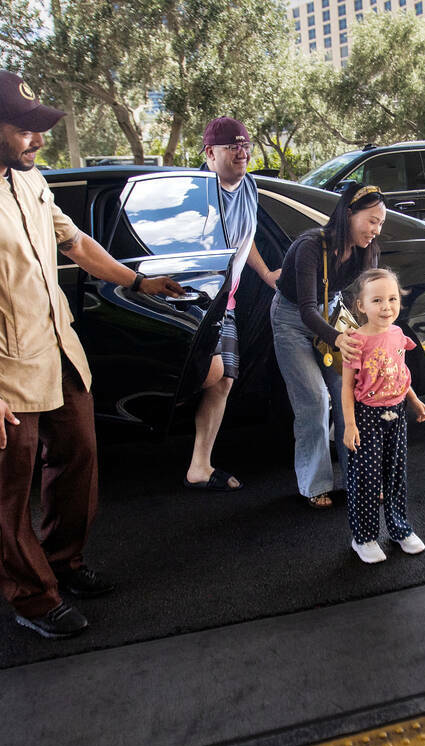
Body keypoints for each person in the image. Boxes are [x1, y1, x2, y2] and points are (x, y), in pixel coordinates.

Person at [0, 70, 184, 639]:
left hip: (56, 351)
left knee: (78, 459)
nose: (38, 140)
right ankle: (32, 597)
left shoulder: (28, 180)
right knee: (10, 490)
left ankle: (63, 563)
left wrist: (136, 281)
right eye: (26, 130)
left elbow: (74, 242)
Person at [271, 182, 387, 509]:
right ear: (349, 214)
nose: (376, 230)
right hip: (292, 318)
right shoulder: (311, 245)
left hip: (333, 316)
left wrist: (375, 334)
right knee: (315, 401)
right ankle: (315, 485)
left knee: (349, 396)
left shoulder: (366, 250)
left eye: (381, 224)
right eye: (372, 221)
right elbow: (307, 309)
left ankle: (360, 480)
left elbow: (364, 297)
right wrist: (341, 340)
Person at [184, 116, 280, 492]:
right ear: (210, 153)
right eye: (232, 147)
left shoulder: (249, 186)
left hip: (227, 302)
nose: (242, 153)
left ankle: (199, 466)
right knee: (209, 373)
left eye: (245, 146)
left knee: (223, 379)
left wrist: (267, 273)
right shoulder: (197, 193)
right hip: (194, 302)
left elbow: (247, 238)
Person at [341, 269, 425, 563]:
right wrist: (350, 425)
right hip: (366, 416)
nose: (387, 306)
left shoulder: (397, 335)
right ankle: (364, 537)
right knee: (366, 479)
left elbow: (399, 375)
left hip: (397, 413)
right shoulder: (355, 341)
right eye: (377, 300)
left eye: (392, 299)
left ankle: (399, 529)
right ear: (361, 305)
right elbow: (346, 388)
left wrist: (414, 400)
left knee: (395, 476)